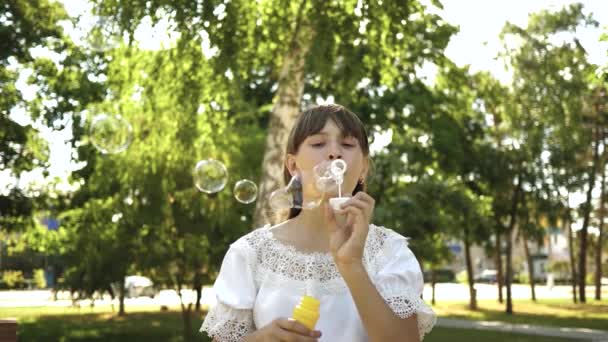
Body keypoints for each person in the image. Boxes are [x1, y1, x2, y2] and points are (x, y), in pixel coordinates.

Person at [200, 104, 435, 342]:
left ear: (363, 167)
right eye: (318, 144)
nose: (334, 153)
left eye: (347, 144)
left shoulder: (390, 252)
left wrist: (352, 264)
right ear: (293, 166)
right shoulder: (250, 253)